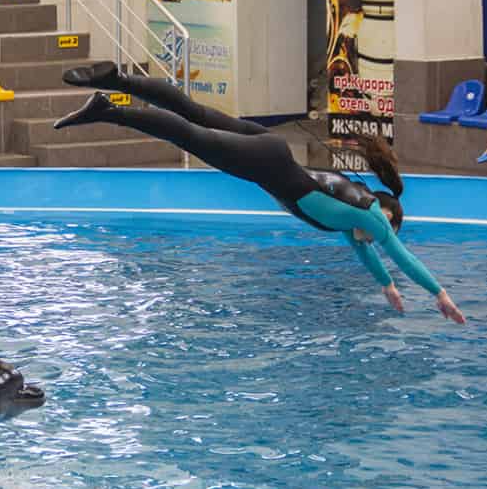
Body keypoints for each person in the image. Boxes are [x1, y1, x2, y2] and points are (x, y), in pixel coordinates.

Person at [55, 61, 466, 324]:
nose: (380, 240)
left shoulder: (353, 219)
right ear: (388, 216)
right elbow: (400, 255)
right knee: (192, 134)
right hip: (268, 165)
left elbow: (369, 256)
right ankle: (107, 109)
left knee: (194, 113)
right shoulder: (372, 215)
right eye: (388, 230)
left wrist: (386, 288)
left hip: (270, 153)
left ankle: (118, 79)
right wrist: (439, 294)